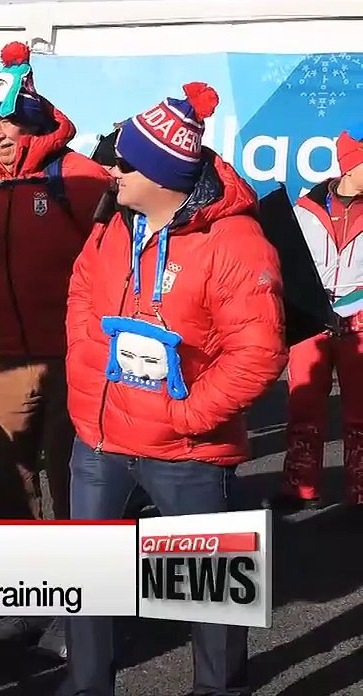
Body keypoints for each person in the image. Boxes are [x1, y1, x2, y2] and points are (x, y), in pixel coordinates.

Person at [62, 82, 285, 696]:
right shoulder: (115, 221)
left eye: (125, 162)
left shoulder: (235, 242)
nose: (112, 169)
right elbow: (83, 287)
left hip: (186, 447)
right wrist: (86, 357)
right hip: (101, 436)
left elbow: (258, 352)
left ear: (162, 173)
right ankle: (86, 686)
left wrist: (188, 414)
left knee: (206, 590)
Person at [0, 42, 112, 650]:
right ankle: (30, 595)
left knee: (70, 485)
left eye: (7, 120)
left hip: (73, 355)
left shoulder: (79, 175)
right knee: (6, 482)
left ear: (33, 116)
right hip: (5, 353)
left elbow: (119, 262)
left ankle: (80, 614)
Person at [273, 129, 363, 511]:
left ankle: (360, 491)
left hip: (359, 315)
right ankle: (302, 488)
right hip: (312, 315)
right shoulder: (303, 207)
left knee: (360, 409)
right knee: (303, 403)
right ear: (350, 166)